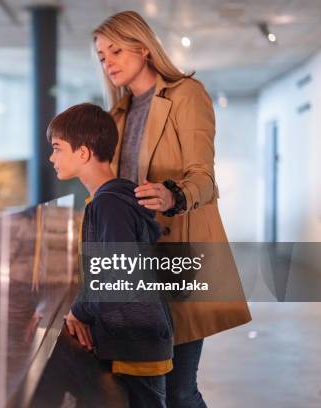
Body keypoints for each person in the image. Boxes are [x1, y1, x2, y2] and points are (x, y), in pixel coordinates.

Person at [92, 11, 251, 407]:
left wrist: (172, 195)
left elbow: (205, 180)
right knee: (141, 393)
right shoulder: (117, 115)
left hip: (177, 260)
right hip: (133, 269)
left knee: (180, 392)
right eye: (100, 56)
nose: (107, 61)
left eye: (115, 50)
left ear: (143, 48)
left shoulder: (186, 94)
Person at [48, 103, 174, 407]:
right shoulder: (112, 198)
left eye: (57, 148)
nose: (52, 158)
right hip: (136, 337)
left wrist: (80, 311)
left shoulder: (109, 205)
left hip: (135, 340)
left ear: (83, 152)